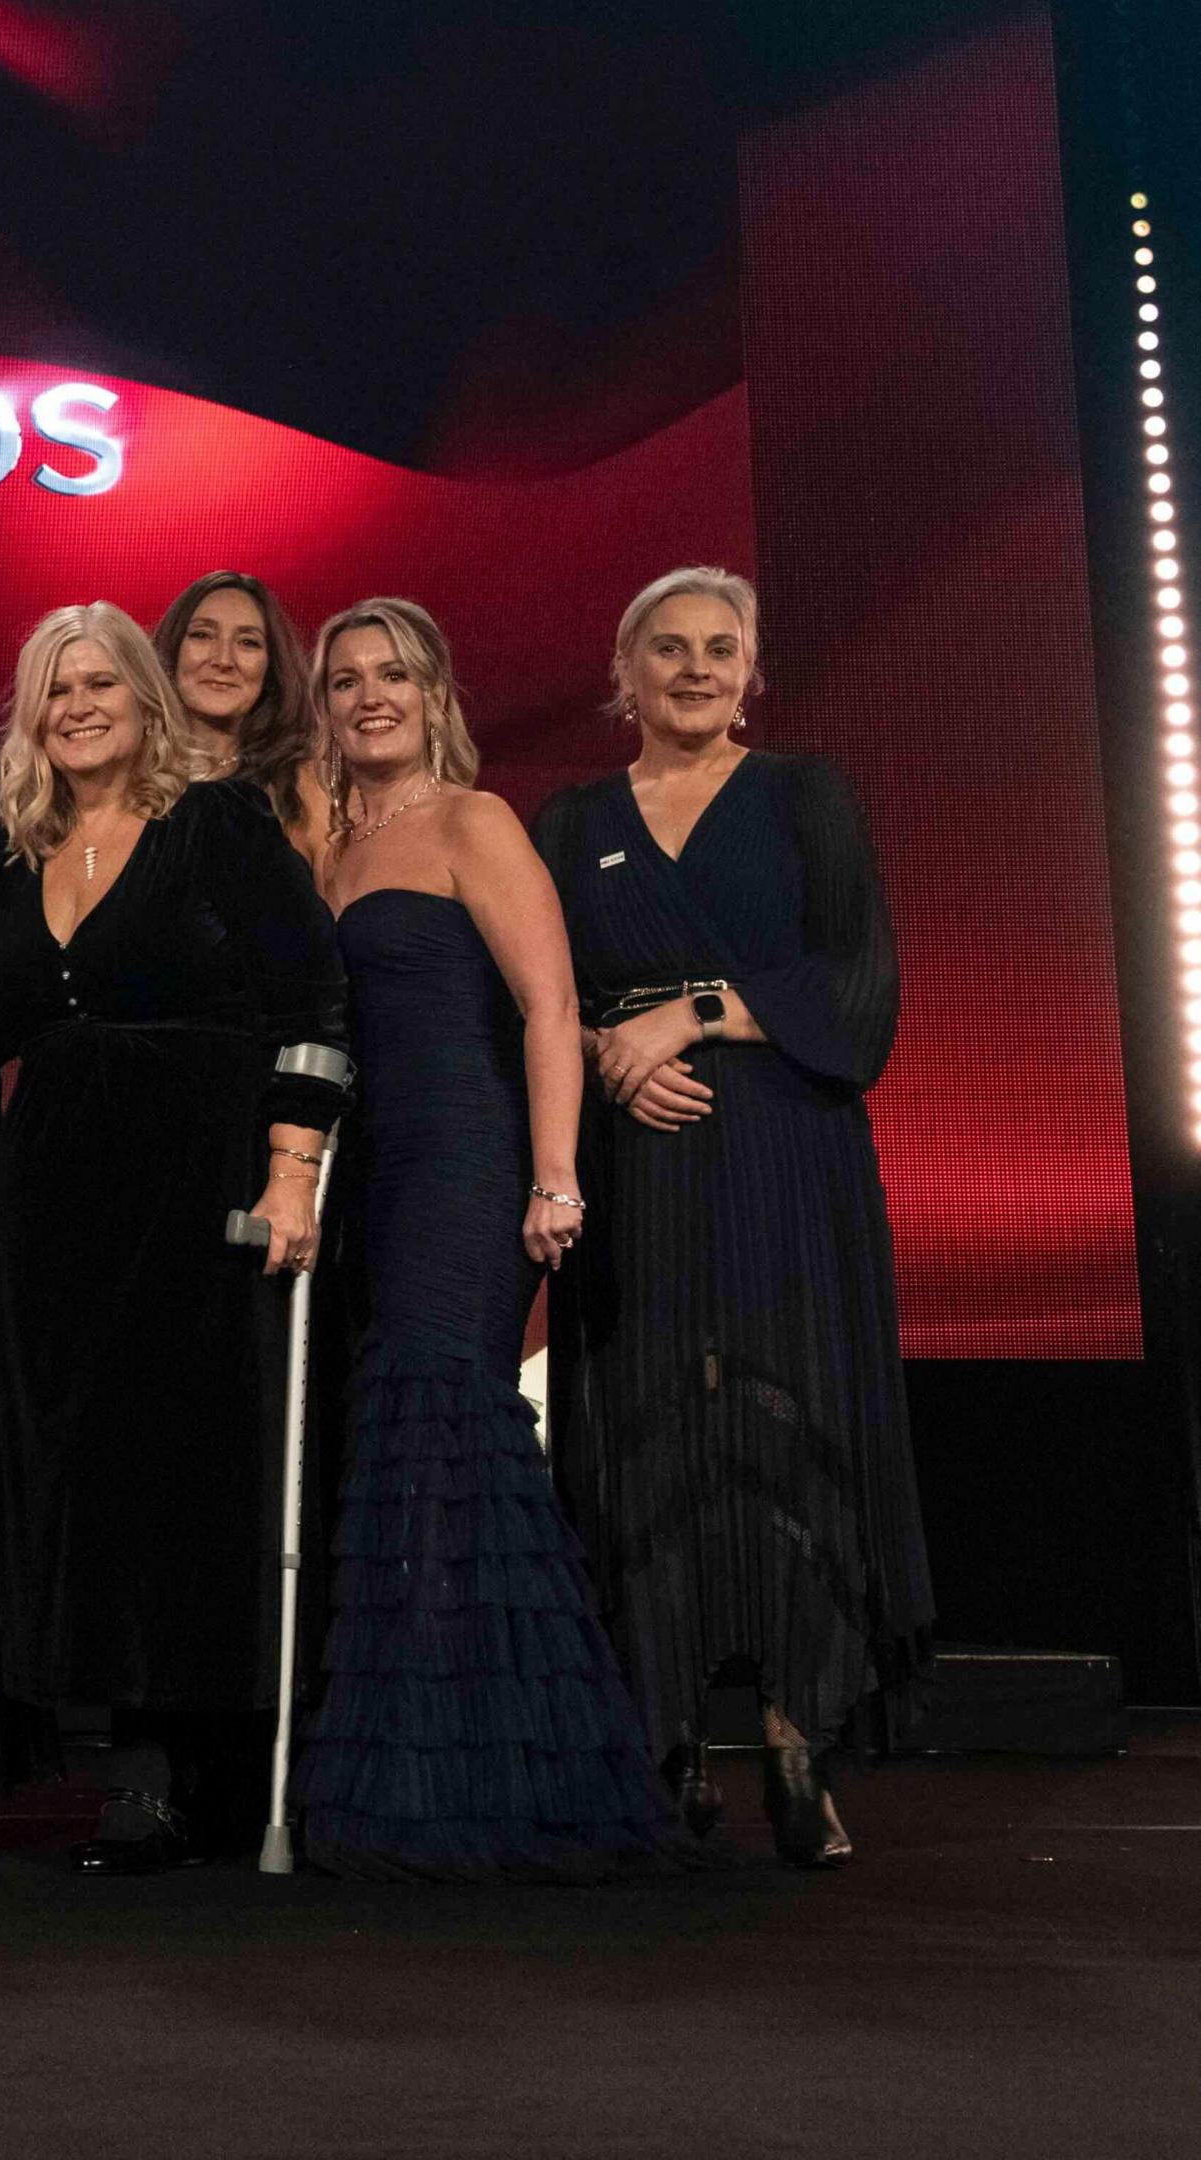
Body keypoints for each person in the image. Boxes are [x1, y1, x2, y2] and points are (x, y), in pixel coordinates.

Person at [288, 598, 687, 1881]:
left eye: (392, 673)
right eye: (345, 680)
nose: (369, 697)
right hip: (366, 1171)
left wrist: (556, 1178)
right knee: (397, 1459)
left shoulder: (475, 821)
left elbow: (550, 1004)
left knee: (443, 1425)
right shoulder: (332, 845)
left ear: (434, 690)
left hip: (466, 1160)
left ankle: (518, 1775)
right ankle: (424, 1770)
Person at [533, 566, 925, 1868]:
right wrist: (609, 1055)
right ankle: (662, 1743)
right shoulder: (571, 819)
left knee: (784, 1412)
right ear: (625, 672)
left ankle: (798, 1744)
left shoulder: (805, 795)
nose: (696, 669)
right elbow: (538, 1000)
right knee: (647, 1433)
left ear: (750, 670)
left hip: (784, 1151)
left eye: (721, 649)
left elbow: (856, 980)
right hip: (636, 1166)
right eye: (670, 649)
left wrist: (689, 1014)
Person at [0, 600, 348, 1876]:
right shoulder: (17, 847)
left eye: (98, 683)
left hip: (198, 1191)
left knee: (192, 1477)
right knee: (86, 1484)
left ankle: (214, 1778)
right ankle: (130, 1774)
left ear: (145, 698)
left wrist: (292, 1174)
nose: (76, 705)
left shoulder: (217, 825)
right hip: (52, 1214)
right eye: (52, 689)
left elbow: (313, 999)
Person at [152, 572, 328, 861]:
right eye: (202, 635)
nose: (222, 660)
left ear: (271, 668)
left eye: (248, 642)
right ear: (171, 651)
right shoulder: (131, 775)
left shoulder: (300, 781)